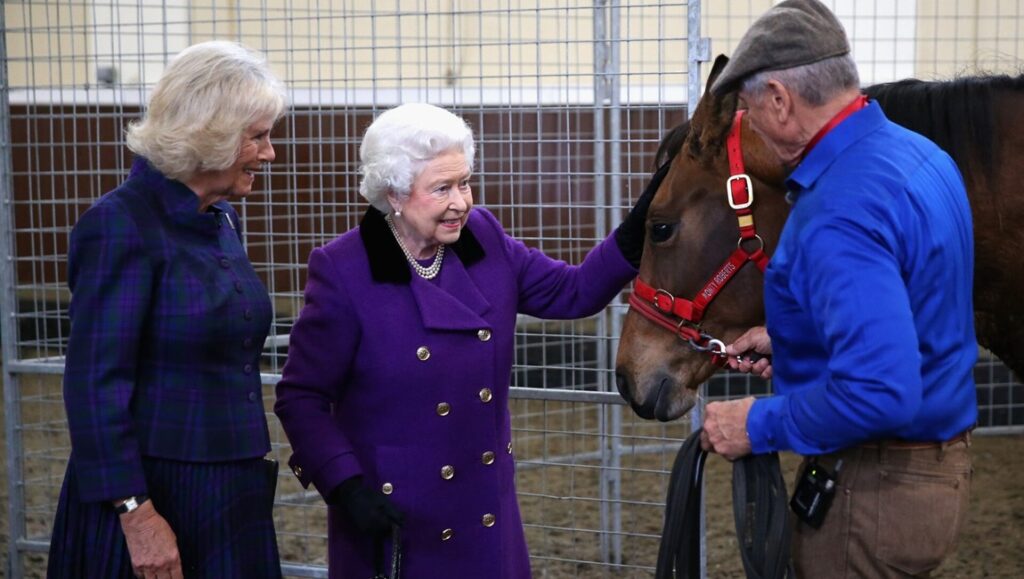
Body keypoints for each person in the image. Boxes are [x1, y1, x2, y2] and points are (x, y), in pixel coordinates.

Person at [274, 102, 654, 578]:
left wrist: (643, 226)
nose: (461, 202)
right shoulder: (345, 270)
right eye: (441, 188)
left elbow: (572, 292)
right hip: (393, 518)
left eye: (464, 183)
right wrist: (345, 487)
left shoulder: (484, 238)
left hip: (483, 509)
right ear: (394, 193)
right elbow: (301, 396)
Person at [698, 1, 977, 577]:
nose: (749, 124)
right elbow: (916, 303)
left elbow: (878, 391)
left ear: (779, 99)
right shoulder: (919, 155)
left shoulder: (837, 211)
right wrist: (796, 342)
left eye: (749, 109)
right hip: (927, 475)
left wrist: (755, 424)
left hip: (871, 496)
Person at [47, 41, 287, 579]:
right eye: (258, 136)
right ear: (212, 134)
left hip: (229, 491)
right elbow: (95, 386)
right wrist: (137, 516)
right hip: (154, 499)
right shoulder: (120, 224)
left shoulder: (220, 219)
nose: (270, 153)